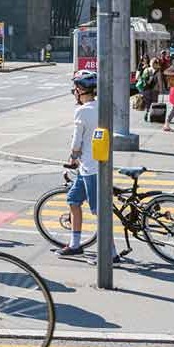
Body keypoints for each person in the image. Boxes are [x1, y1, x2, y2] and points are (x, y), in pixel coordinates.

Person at [58, 70, 114, 258]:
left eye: (74, 88)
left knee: (100, 212)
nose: (74, 92)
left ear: (80, 90)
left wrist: (73, 157)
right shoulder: (102, 107)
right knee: (73, 200)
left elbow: (77, 140)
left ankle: (111, 254)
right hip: (89, 167)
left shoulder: (82, 111)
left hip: (92, 168)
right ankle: (75, 245)